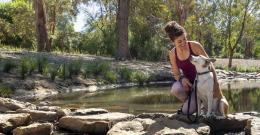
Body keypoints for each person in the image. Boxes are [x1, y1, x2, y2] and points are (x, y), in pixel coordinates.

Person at [164, 21, 220, 114]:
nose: (183, 43)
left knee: (187, 111)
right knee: (176, 89)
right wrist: (182, 79)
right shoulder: (172, 53)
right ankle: (194, 103)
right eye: (179, 41)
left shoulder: (195, 46)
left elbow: (209, 64)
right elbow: (176, 74)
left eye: (184, 39)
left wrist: (216, 84)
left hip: (203, 83)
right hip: (190, 85)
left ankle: (199, 103)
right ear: (173, 42)